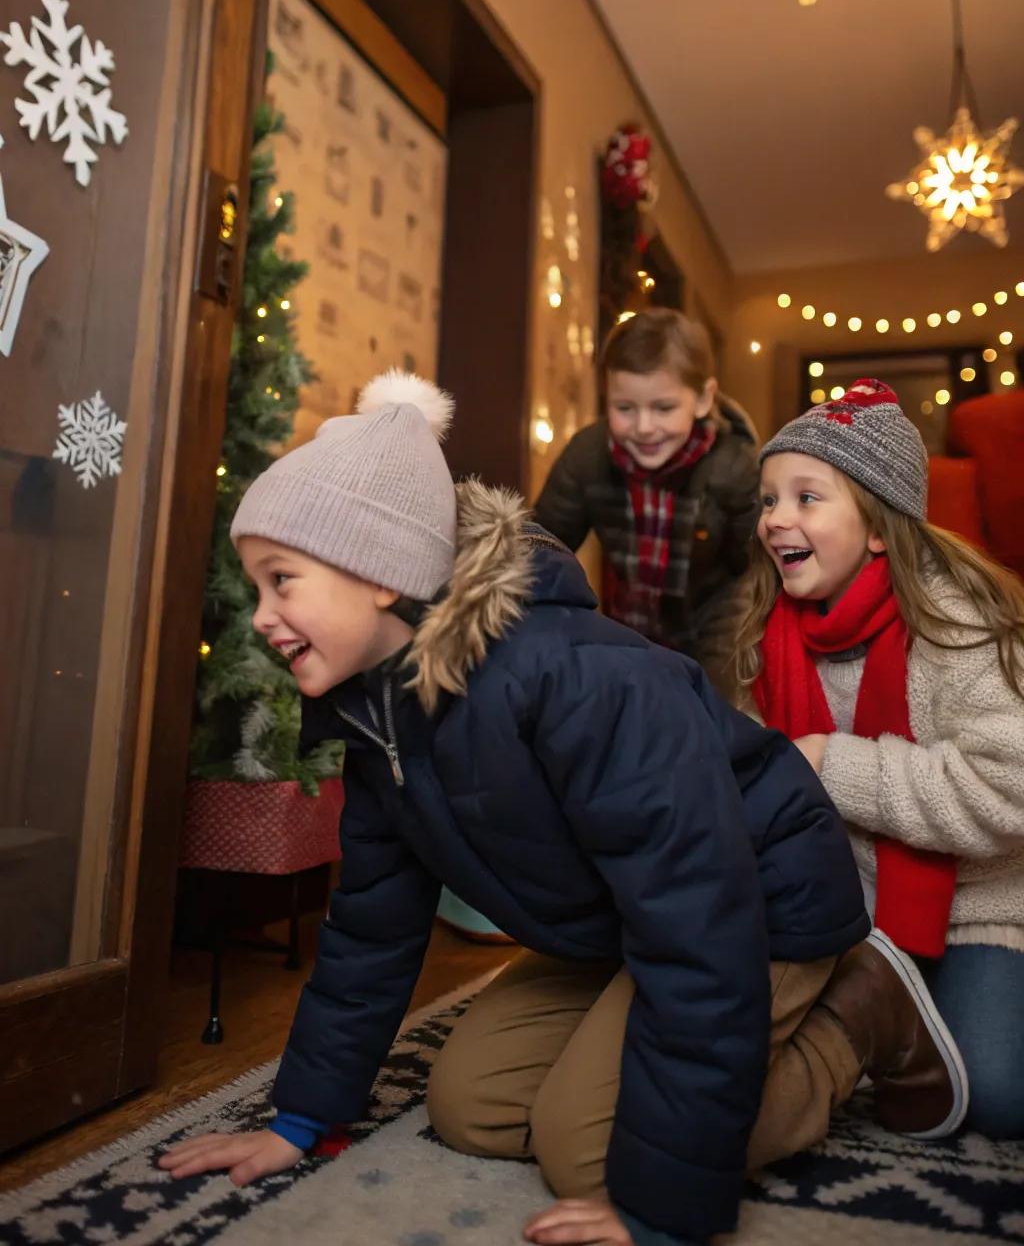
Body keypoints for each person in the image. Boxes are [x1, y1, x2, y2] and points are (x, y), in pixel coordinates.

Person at [160, 371, 966, 1246]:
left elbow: (695, 921)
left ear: (379, 572)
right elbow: (370, 928)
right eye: (255, 590)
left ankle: (861, 1018)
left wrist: (663, 1205)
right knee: (470, 1107)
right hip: (620, 926)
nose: (261, 619)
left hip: (760, 907)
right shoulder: (375, 715)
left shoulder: (580, 681)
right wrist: (298, 1120)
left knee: (594, 1153)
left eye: (282, 581)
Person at [739, 377, 1024, 1142]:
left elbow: (1011, 787)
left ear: (875, 525)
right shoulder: (768, 631)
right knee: (728, 1049)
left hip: (975, 907)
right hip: (842, 908)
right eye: (768, 500)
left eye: (806, 498)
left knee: (997, 1095)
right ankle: (877, 1002)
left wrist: (834, 764)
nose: (776, 520)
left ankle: (892, 1007)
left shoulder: (955, 623)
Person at [534, 308, 758, 700]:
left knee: (707, 729)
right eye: (625, 409)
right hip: (627, 628)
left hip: (713, 635)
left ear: (703, 399)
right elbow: (543, 543)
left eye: (663, 408)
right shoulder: (587, 456)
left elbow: (755, 570)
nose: (643, 427)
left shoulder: (736, 467)